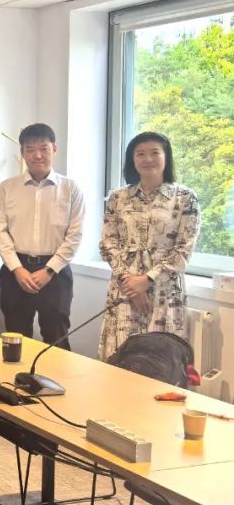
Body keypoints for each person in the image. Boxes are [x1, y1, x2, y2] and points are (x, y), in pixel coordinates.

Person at [98, 132, 200, 361]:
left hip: (164, 292)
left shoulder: (185, 198)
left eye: (155, 152)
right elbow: (108, 242)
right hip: (124, 289)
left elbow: (184, 249)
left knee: (160, 361)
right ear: (132, 160)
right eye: (140, 154)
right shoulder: (118, 198)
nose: (148, 159)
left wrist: (146, 280)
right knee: (119, 358)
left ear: (166, 157)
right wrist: (130, 282)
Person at [0, 123, 84, 349]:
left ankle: (56, 374)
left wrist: (49, 270)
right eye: (30, 149)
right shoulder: (6, 188)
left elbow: (75, 235)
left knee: (57, 337)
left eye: (43, 148)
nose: (37, 155)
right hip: (16, 270)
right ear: (22, 152)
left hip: (56, 272)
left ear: (54, 149)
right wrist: (17, 269)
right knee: (15, 338)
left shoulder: (70, 189)